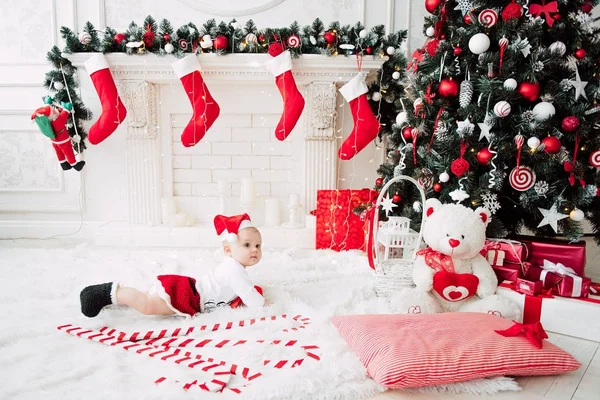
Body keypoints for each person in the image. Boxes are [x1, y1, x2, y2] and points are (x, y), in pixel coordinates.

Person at [80, 213, 266, 318]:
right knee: (148, 306)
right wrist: (268, 307)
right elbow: (254, 301)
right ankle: (104, 293)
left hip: (192, 290)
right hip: (190, 296)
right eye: (247, 245)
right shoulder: (234, 269)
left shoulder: (233, 266)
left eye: (258, 245)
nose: (254, 250)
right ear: (227, 249)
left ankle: (115, 299)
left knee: (149, 298)